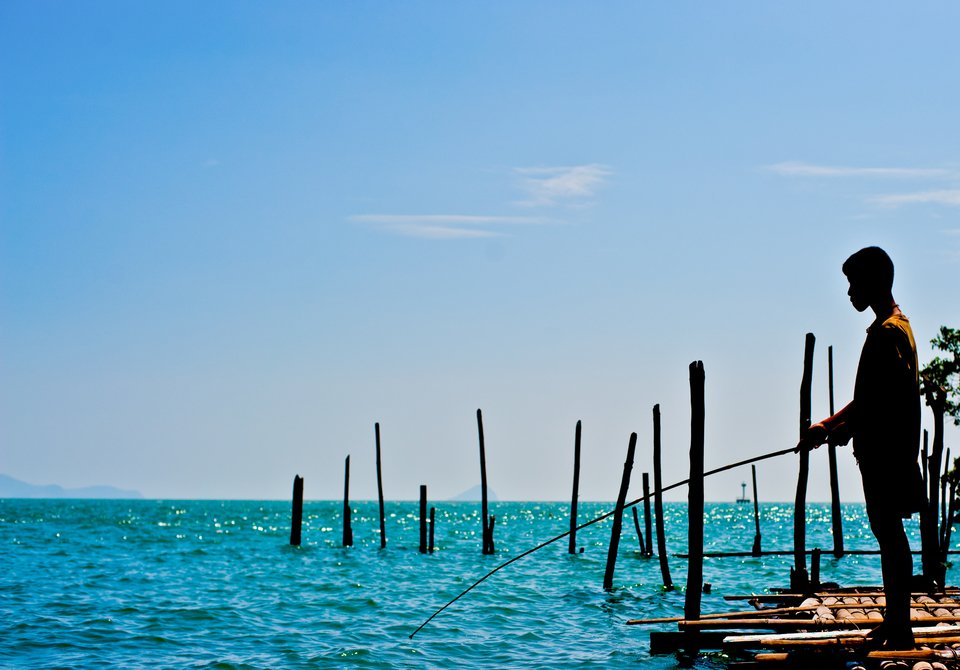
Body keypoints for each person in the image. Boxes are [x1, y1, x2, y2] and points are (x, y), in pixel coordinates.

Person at [799, 246, 925, 650]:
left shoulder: (889, 333)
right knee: (890, 534)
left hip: (886, 454)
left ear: (872, 282)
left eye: (854, 283)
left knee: (890, 536)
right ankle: (896, 621)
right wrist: (830, 424)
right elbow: (869, 397)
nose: (850, 291)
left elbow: (884, 401)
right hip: (886, 451)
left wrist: (845, 430)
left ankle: (899, 625)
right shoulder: (894, 326)